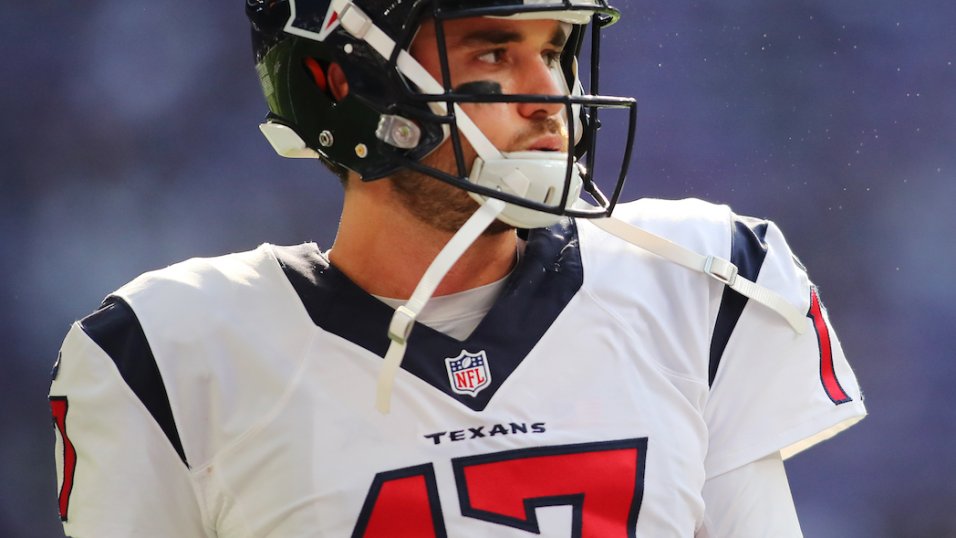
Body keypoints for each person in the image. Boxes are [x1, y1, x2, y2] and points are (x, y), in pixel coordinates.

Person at [48, 0, 866, 536]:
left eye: (556, 50)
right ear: (342, 80)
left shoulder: (698, 280)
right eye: (496, 51)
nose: (549, 95)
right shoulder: (172, 356)